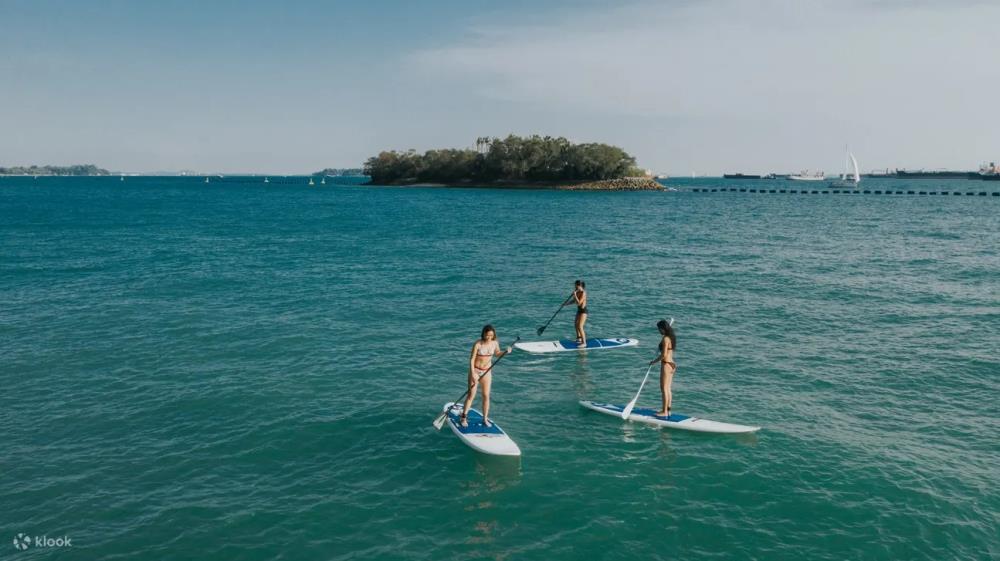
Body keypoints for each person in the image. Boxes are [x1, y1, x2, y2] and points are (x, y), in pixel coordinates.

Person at [461, 324, 511, 428]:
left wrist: (505, 352)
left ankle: (485, 418)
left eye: (491, 335)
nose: (489, 337)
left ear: (493, 335)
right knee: (471, 395)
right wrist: (473, 374)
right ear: (483, 334)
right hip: (475, 371)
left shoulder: (494, 343)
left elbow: (497, 353)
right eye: (487, 335)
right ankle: (464, 417)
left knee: (486, 396)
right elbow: (471, 359)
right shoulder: (478, 344)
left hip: (486, 372)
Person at [649, 319, 677, 417]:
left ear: (663, 329)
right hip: (672, 364)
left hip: (666, 364)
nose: (658, 331)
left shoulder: (665, 339)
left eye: (659, 329)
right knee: (668, 389)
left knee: (664, 389)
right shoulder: (670, 337)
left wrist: (654, 362)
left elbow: (664, 355)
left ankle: (664, 412)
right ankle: (668, 410)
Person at [565, 280, 588, 344]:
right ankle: (579, 338)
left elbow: (579, 303)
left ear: (580, 286)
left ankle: (584, 343)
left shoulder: (584, 293)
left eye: (576, 286)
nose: (575, 288)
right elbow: (574, 301)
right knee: (576, 324)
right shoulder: (577, 292)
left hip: (583, 311)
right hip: (579, 311)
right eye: (575, 286)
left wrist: (575, 295)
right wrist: (566, 304)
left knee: (580, 326)